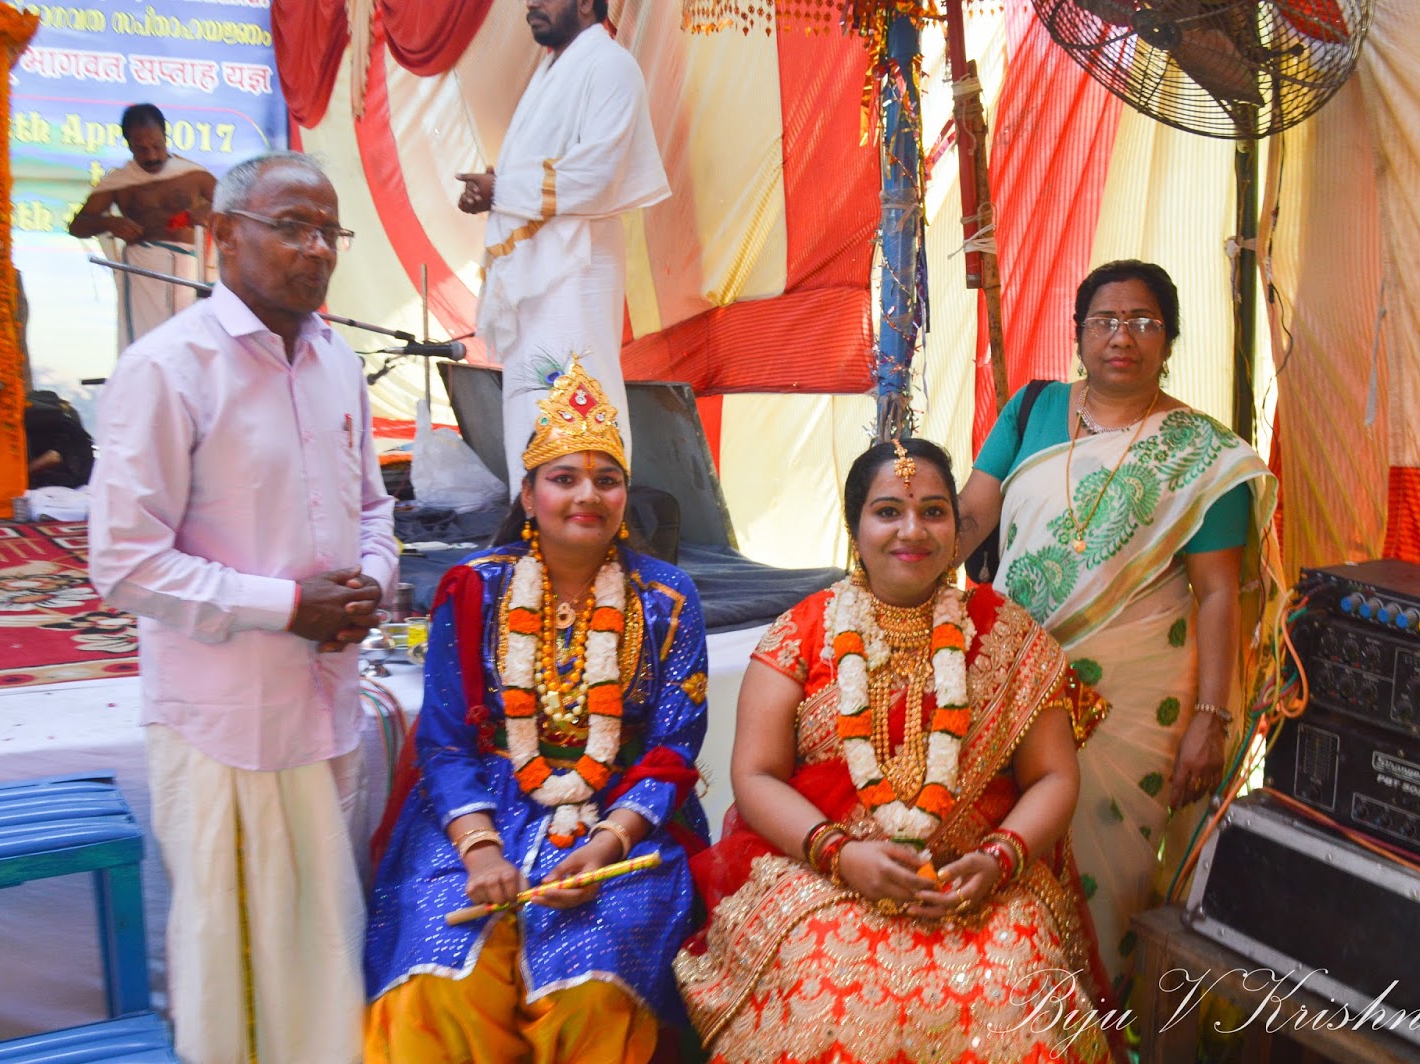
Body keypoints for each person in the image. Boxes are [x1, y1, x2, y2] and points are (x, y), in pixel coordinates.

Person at [89, 150, 394, 1063]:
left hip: (325, 707)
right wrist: (285, 606)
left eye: (329, 232)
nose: (318, 250)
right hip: (225, 721)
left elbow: (373, 506)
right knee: (235, 978)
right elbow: (123, 563)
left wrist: (372, 578)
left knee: (326, 951)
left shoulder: (337, 360)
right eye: (292, 228)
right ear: (224, 236)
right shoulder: (167, 367)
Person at [676, 438, 1116, 1063]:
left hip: (977, 880)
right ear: (854, 528)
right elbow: (755, 774)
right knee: (825, 982)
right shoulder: (802, 631)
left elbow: (1053, 776)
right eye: (888, 511)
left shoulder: (1008, 633)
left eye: (934, 511)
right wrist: (840, 855)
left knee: (1012, 979)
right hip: (822, 874)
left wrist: (998, 860)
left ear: (957, 529)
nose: (913, 530)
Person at [364, 359, 709, 1063]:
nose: (588, 495)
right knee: (437, 985)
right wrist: (481, 849)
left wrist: (607, 844)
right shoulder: (473, 590)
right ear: (527, 494)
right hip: (477, 810)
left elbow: (674, 747)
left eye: (607, 480)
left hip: (622, 818)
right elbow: (444, 743)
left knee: (591, 993)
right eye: (564, 478)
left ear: (625, 495)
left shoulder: (669, 599)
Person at [954, 259, 1280, 994]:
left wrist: (1210, 719)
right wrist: (900, 571)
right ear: (1078, 334)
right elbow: (972, 512)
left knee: (1108, 869)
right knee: (998, 844)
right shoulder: (1031, 409)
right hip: (1012, 678)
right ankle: (1006, 1013)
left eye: (1142, 322)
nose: (1121, 337)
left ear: (1169, 339)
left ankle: (1096, 1018)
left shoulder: (1203, 456)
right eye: (1104, 320)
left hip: (1134, 702)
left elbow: (1218, 595)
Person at [456, 0, 668, 491]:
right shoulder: (552, 69)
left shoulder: (610, 66)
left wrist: (501, 191)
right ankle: (533, 525)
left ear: (588, 4)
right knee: (531, 404)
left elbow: (596, 176)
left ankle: (593, 526)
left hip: (577, 268)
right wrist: (492, 190)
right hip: (539, 270)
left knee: (579, 399)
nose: (532, 4)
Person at [68, 104, 217, 350]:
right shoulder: (120, 182)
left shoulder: (193, 175)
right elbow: (77, 226)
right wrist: (109, 222)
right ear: (128, 145)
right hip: (140, 273)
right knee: (143, 346)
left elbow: (235, 207)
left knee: (185, 346)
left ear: (165, 137)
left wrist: (208, 212)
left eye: (157, 146)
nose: (151, 156)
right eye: (141, 149)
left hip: (186, 271)